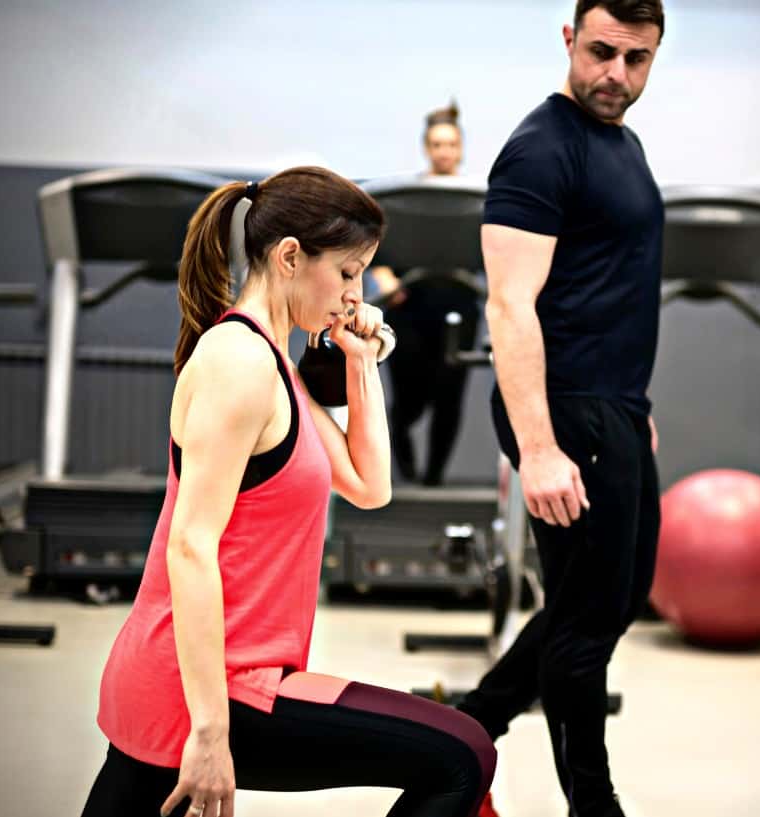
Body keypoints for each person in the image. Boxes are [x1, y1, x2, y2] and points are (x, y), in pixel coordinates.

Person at [81, 166, 495, 817]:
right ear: (291, 256)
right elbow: (189, 545)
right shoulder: (238, 361)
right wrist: (210, 731)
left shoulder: (278, 364)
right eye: (349, 272)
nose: (355, 294)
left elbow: (369, 485)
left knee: (464, 751)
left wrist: (360, 363)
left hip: (249, 679)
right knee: (458, 758)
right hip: (203, 690)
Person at [453, 3, 665, 817]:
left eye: (637, 59)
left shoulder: (624, 143)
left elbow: (612, 283)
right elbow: (510, 308)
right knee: (586, 625)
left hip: (610, 406)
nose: (617, 75)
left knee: (609, 598)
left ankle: (472, 722)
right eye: (604, 52)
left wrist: (633, 405)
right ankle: (594, 803)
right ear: (570, 39)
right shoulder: (539, 149)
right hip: (562, 409)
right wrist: (538, 447)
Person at [370, 101, 482, 486]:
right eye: (437, 144)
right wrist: (385, 278)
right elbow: (375, 246)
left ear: (461, 148)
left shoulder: (476, 199)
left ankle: (433, 480)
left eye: (451, 144)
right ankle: (404, 469)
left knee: (449, 397)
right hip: (410, 306)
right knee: (409, 399)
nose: (444, 151)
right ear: (426, 148)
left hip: (460, 305)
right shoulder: (407, 197)